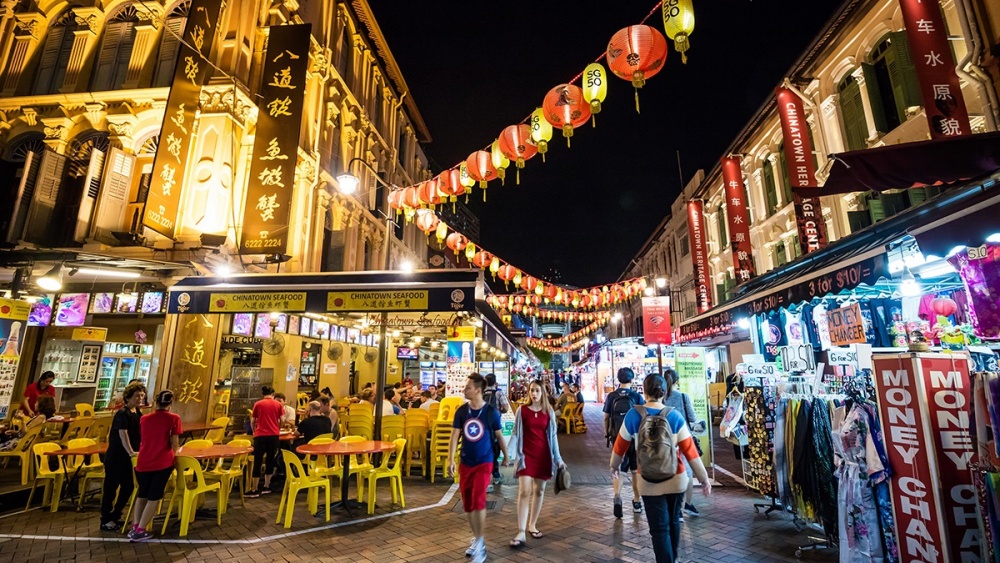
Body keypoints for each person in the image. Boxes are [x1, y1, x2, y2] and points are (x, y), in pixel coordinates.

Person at [610, 374, 712, 562]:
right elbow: (690, 451)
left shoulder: (634, 415)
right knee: (673, 522)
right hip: (676, 478)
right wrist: (704, 478)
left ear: (644, 390)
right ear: (664, 392)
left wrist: (614, 466)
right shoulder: (674, 415)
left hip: (648, 481)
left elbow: (619, 447)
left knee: (659, 530)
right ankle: (672, 558)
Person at [448, 374, 508, 563]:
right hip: (466, 462)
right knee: (468, 503)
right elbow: (455, 436)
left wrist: (506, 455)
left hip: (485, 461)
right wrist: (451, 459)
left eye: (468, 387)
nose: (464, 390)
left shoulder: (491, 412)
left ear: (478, 390)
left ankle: (480, 543)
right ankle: (476, 537)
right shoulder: (462, 412)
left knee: (478, 499)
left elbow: (499, 436)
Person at [504, 379, 565, 548]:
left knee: (540, 490)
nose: (534, 393)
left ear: (543, 393)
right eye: (532, 390)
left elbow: (553, 437)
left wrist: (558, 458)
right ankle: (521, 531)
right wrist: (508, 454)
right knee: (524, 491)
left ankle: (532, 525)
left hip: (544, 456)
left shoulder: (549, 412)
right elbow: (516, 433)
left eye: (537, 390)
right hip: (526, 456)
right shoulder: (522, 411)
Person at [129, 390, 181, 542]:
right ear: (170, 403)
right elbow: (174, 443)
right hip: (162, 462)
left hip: (143, 461)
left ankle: (136, 525)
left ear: (156, 401)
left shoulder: (144, 419)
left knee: (142, 494)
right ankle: (141, 529)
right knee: (154, 496)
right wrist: (177, 451)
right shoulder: (174, 418)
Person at [100, 382, 145, 531]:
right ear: (128, 397)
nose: (140, 398)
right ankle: (105, 519)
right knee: (111, 488)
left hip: (128, 458)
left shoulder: (137, 413)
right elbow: (122, 434)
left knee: (128, 487)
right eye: (137, 396)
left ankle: (116, 514)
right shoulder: (122, 413)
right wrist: (131, 451)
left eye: (142, 395)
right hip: (117, 456)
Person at [662, 368, 704, 519]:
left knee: (670, 472)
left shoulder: (661, 399)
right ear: (677, 381)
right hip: (683, 439)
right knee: (687, 472)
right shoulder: (683, 397)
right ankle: (688, 504)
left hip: (665, 440)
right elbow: (692, 418)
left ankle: (675, 508)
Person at [603, 367, 645, 518]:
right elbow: (644, 416)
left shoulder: (612, 396)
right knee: (635, 471)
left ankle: (617, 496)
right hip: (634, 437)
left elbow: (606, 416)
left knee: (618, 469)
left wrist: (607, 432)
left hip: (617, 436)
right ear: (632, 379)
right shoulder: (636, 396)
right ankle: (636, 501)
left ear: (618, 379)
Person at [246, 385, 284, 497]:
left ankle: (254, 488)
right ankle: (267, 485)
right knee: (270, 460)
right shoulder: (278, 404)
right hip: (273, 435)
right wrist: (278, 428)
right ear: (273, 394)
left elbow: (253, 421)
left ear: (263, 394)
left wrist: (254, 431)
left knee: (258, 460)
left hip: (260, 435)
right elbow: (282, 420)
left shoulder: (258, 404)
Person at [483, 373, 511, 487]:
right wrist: (500, 412)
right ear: (495, 382)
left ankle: (486, 474)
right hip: (495, 424)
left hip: (483, 425)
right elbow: (506, 407)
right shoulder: (498, 393)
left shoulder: (482, 393)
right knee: (496, 447)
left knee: (485, 448)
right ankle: (496, 474)